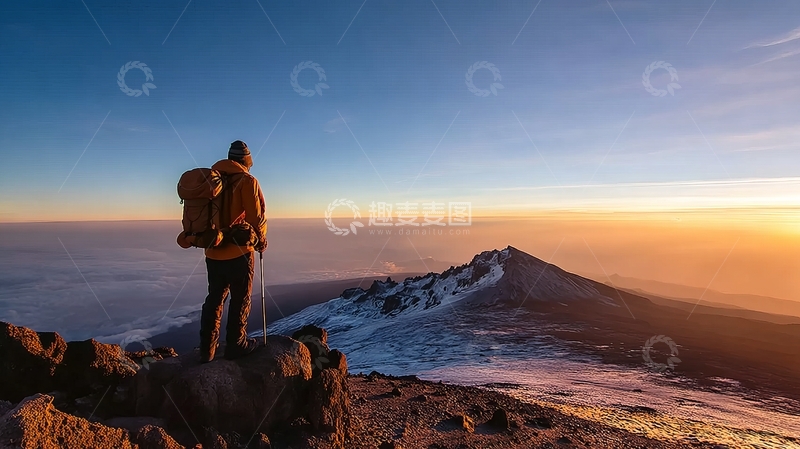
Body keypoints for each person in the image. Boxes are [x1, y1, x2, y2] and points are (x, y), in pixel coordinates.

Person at [199, 140, 267, 362]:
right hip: (240, 252)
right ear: (246, 161)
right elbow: (256, 217)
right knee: (240, 298)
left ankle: (207, 348)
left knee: (215, 298)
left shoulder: (211, 181)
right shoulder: (247, 181)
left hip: (213, 250)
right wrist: (261, 240)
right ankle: (236, 344)